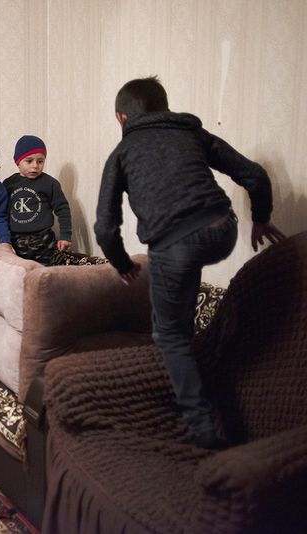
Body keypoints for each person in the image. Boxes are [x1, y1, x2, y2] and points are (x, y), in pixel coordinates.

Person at [94, 76, 286, 449]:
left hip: (175, 243)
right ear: (165, 107)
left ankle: (202, 432)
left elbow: (105, 226)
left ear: (121, 118)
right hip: (222, 228)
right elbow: (255, 175)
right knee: (180, 304)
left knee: (169, 335)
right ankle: (197, 383)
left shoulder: (122, 153)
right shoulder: (191, 133)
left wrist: (120, 263)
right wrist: (260, 217)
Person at [4, 135, 72, 265]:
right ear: (18, 162)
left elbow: (62, 209)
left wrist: (65, 236)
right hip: (16, 241)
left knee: (48, 271)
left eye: (40, 161)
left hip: (44, 240)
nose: (35, 166)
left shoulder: (50, 184)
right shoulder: (9, 184)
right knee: (18, 272)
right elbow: (2, 212)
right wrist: (4, 239)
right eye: (29, 161)